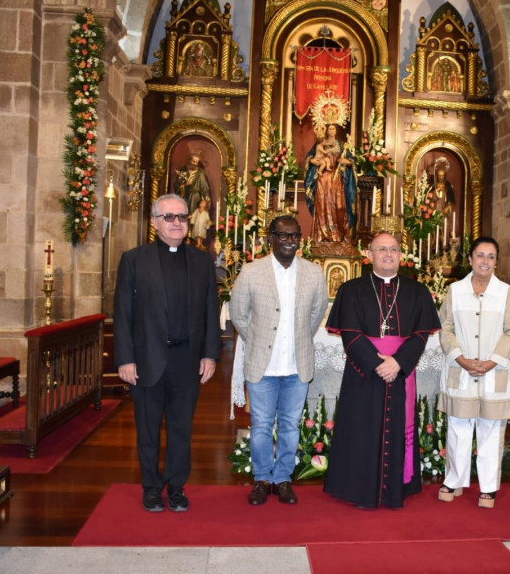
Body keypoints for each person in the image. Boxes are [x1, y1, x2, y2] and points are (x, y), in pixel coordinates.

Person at [113, 193, 220, 513]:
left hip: (186, 361)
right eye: (169, 217)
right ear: (155, 222)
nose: (177, 223)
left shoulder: (201, 261)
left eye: (182, 217)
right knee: (147, 429)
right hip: (145, 361)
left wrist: (209, 354)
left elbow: (209, 312)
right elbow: (122, 313)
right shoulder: (134, 259)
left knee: (180, 429)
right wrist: (125, 359)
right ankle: (150, 487)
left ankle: (176, 487)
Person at [323, 232, 441, 508]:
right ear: (370, 255)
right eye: (382, 249)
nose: (388, 254)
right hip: (363, 373)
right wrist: (378, 364)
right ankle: (357, 488)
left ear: (401, 255)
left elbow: (421, 335)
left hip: (401, 372)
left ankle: (397, 488)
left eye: (394, 249)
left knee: (398, 428)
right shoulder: (351, 290)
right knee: (360, 427)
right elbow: (350, 335)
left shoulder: (417, 291)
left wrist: (398, 363)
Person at [229, 215, 328, 506]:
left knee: (289, 424)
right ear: (270, 238)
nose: (289, 241)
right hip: (263, 365)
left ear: (301, 239)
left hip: (297, 366)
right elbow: (239, 314)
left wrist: (298, 340)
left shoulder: (313, 273)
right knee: (260, 424)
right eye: (283, 236)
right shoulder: (251, 271)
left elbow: (315, 315)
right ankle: (261, 479)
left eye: (294, 236)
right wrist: (258, 339)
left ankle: (282, 478)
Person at [437, 236, 510, 509]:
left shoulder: (505, 292)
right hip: (460, 369)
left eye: (491, 256)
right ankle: (454, 480)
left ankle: (488, 487)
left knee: (490, 430)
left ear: (497, 261)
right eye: (480, 255)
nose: (485, 261)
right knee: (458, 428)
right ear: (470, 259)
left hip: (494, 372)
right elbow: (445, 328)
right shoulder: (455, 290)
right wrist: (460, 358)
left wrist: (491, 361)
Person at [304, 123, 357, 245]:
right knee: (322, 204)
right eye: (329, 129)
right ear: (326, 131)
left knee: (339, 205)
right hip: (323, 177)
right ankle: (321, 235)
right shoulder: (321, 143)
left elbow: (352, 160)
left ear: (336, 130)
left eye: (334, 128)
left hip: (337, 177)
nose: (332, 131)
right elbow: (310, 157)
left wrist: (347, 161)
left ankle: (339, 234)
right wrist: (312, 161)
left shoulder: (343, 145)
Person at [176, 151, 212, 216]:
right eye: (193, 161)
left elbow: (204, 188)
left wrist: (206, 199)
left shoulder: (200, 173)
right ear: (189, 161)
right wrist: (184, 185)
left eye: (197, 162)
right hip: (185, 197)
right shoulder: (183, 171)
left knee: (194, 217)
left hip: (196, 198)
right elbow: (176, 185)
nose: (195, 164)